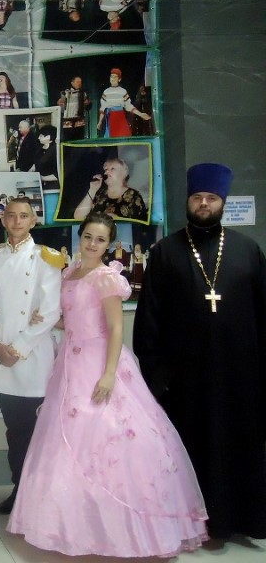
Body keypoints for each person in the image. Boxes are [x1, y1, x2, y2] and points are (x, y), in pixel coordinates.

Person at [8, 212, 208, 557]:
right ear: (80, 236)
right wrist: (51, 320)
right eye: (88, 236)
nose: (92, 244)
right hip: (70, 362)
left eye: (100, 240)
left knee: (107, 436)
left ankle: (122, 527)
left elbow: (115, 328)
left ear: (109, 244)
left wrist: (109, 373)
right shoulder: (69, 272)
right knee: (66, 440)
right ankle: (74, 524)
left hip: (100, 360)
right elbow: (73, 318)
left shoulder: (106, 277)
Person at [134, 163, 266, 540]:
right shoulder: (165, 252)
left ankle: (243, 522)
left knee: (240, 447)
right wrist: (158, 377)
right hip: (185, 380)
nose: (204, 204)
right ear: (188, 202)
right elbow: (149, 320)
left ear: (222, 202)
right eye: (197, 197)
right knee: (191, 450)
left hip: (241, 376)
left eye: (211, 198)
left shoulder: (248, 251)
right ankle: (195, 524)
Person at [0, 197, 64, 515]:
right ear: (3, 220)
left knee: (37, 431)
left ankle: (40, 495)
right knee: (14, 431)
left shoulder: (47, 258)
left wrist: (18, 349)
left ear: (33, 220)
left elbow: (50, 311)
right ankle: (19, 491)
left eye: (23, 216)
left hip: (32, 359)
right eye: (11, 216)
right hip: (1, 359)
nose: (16, 221)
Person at [73, 157, 149, 221]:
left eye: (112, 169)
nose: (106, 172)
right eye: (105, 169)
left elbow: (139, 223)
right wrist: (92, 190)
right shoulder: (99, 193)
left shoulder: (134, 195)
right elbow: (78, 217)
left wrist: (117, 219)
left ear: (124, 174)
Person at [96, 68, 151, 137]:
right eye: (111, 76)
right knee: (111, 138)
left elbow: (129, 106)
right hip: (111, 118)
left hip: (120, 117)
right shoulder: (106, 92)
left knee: (123, 136)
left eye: (115, 77)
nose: (113, 79)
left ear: (119, 79)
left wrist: (141, 114)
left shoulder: (123, 91)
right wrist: (100, 121)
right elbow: (102, 108)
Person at [56, 75, 91, 140]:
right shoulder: (65, 93)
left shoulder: (83, 94)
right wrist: (60, 103)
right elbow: (60, 107)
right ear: (72, 83)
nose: (79, 84)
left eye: (80, 82)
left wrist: (88, 104)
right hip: (68, 124)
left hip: (79, 123)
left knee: (79, 141)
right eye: (77, 82)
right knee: (68, 142)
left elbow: (88, 107)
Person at [32, 124, 58, 190]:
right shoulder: (40, 149)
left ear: (48, 137)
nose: (39, 138)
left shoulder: (55, 150)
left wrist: (42, 178)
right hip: (40, 184)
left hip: (52, 186)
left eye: (41, 136)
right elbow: (36, 164)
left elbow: (58, 173)